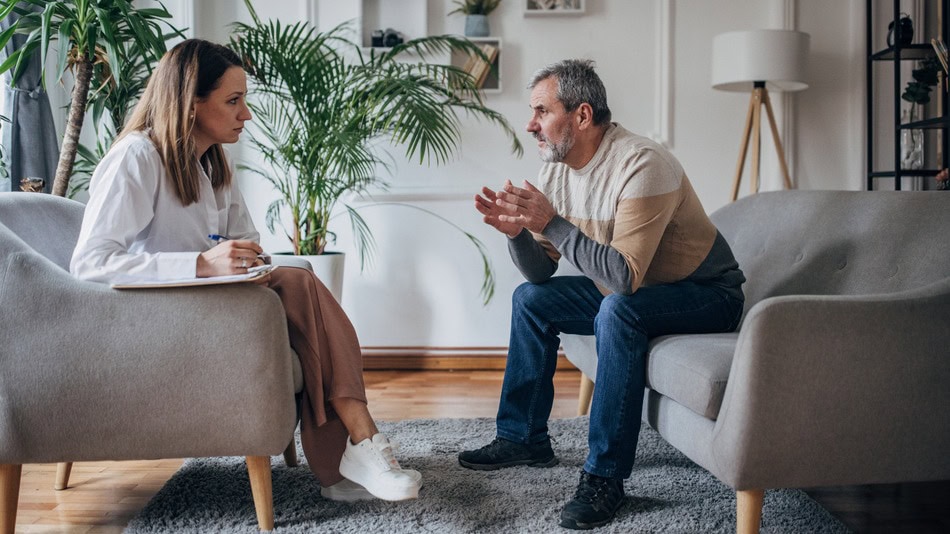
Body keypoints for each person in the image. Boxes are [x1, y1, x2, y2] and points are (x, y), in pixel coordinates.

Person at [70, 39, 421, 503]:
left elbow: (245, 244)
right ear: (190, 104)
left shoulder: (213, 163)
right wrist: (200, 264)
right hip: (149, 318)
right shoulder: (136, 157)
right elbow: (89, 264)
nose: (246, 114)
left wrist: (243, 261)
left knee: (295, 280)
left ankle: (349, 460)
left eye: (245, 101)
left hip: (209, 306)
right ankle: (356, 449)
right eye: (233, 101)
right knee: (298, 280)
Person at [458, 59, 745, 529]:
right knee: (530, 303)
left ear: (583, 116)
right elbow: (539, 276)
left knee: (618, 310)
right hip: (635, 290)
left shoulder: (642, 164)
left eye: (540, 111)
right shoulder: (555, 171)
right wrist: (518, 234)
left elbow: (625, 279)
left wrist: (549, 221)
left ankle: (605, 476)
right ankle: (523, 437)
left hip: (707, 294)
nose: (530, 125)